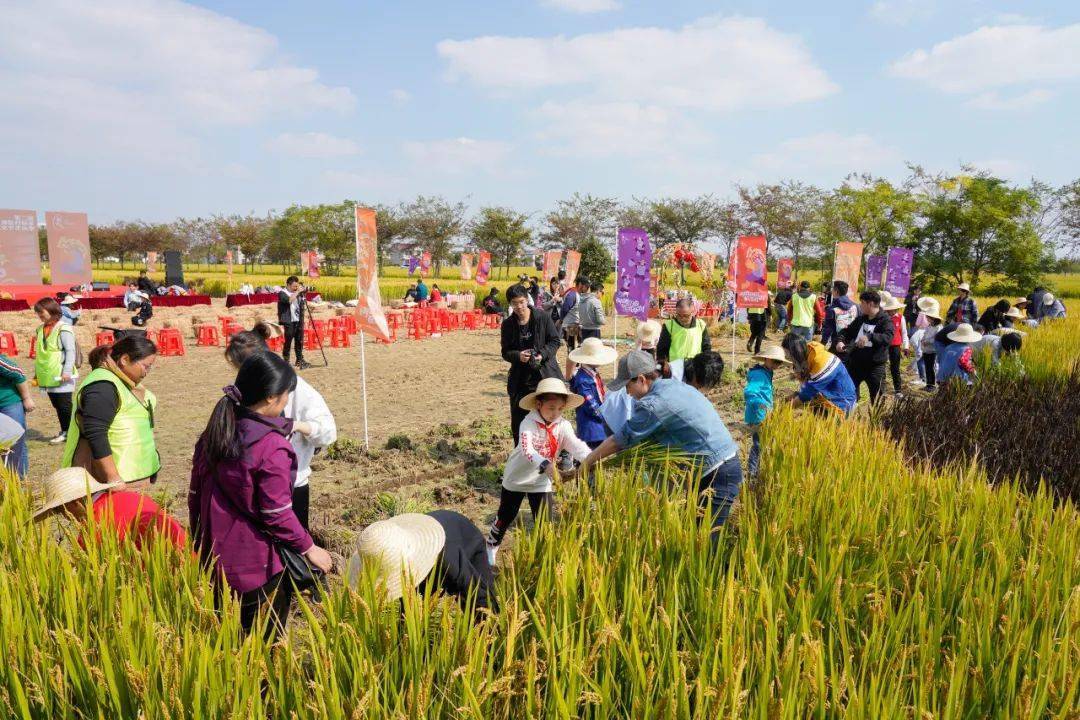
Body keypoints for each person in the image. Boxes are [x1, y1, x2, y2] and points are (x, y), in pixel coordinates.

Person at [189, 353, 332, 638]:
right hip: (255, 565)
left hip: (212, 558)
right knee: (262, 649)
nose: (285, 404)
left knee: (225, 641)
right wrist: (309, 548)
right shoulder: (271, 447)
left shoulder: (215, 432)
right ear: (270, 399)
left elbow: (195, 495)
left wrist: (199, 542)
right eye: (284, 397)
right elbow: (276, 513)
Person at [577, 351, 742, 533]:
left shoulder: (654, 405)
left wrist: (588, 462)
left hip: (718, 472)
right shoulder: (673, 386)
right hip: (716, 467)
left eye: (627, 385)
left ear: (641, 379)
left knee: (706, 542)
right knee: (694, 533)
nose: (627, 392)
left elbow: (620, 440)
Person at [225, 325, 337, 529]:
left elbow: (328, 432)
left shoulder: (296, 388)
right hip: (249, 485)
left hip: (290, 485)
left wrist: (296, 426)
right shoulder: (242, 391)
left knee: (291, 547)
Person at [487, 378, 591, 564]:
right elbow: (528, 450)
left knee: (545, 521)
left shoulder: (563, 426)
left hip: (542, 480)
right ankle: (491, 547)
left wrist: (593, 458)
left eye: (560, 409)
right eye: (551, 408)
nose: (555, 413)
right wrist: (546, 465)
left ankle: (545, 557)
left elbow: (577, 447)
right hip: (517, 477)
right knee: (506, 515)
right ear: (538, 404)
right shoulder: (527, 423)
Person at [347, 511, 497, 614]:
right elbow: (408, 613)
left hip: (465, 539)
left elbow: (480, 596)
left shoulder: (447, 558)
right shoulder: (380, 550)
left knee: (477, 606)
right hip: (423, 552)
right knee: (413, 612)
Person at [60, 335, 160, 486]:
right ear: (125, 360)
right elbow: (96, 433)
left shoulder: (125, 382)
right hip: (115, 481)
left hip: (134, 474)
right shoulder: (102, 387)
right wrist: (113, 477)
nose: (147, 372)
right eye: (146, 366)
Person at [33, 467, 186, 549]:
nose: (65, 517)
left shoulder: (94, 529)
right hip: (192, 566)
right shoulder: (131, 496)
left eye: (61, 510)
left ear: (75, 502)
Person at [501, 284, 562, 443]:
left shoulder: (542, 317)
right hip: (521, 379)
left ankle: (550, 454)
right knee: (519, 420)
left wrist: (542, 354)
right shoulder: (508, 325)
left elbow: (555, 341)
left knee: (547, 417)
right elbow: (505, 352)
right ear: (511, 304)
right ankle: (521, 454)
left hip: (544, 375)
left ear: (527, 299)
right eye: (514, 303)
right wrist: (517, 356)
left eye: (521, 302)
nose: (519, 307)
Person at [33, 297, 78, 444]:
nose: (39, 315)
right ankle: (66, 430)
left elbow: (70, 351)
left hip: (61, 374)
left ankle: (69, 432)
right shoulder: (40, 329)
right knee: (57, 405)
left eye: (41, 311)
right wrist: (37, 373)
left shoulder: (63, 328)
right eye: (38, 312)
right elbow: (41, 353)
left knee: (64, 405)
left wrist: (66, 371)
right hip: (48, 374)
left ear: (51, 310)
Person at [836, 291, 893, 404]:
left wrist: (870, 336)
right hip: (856, 363)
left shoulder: (885, 320)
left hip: (875, 366)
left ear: (870, 304)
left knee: (877, 398)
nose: (860, 305)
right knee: (848, 392)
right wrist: (840, 341)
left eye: (862, 303)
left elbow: (888, 337)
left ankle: (876, 419)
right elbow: (846, 331)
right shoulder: (861, 319)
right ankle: (849, 415)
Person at [781, 333, 857, 415]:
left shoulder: (821, 362)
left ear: (795, 352)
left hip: (841, 404)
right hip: (826, 397)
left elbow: (806, 395)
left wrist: (783, 410)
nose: (787, 357)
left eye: (787, 354)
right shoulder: (808, 351)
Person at [744, 346, 790, 479]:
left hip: (763, 414)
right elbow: (749, 392)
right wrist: (762, 405)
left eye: (779, 362)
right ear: (767, 359)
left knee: (762, 443)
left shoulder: (766, 372)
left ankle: (757, 469)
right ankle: (752, 473)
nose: (777, 365)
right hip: (758, 416)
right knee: (758, 444)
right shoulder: (759, 375)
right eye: (775, 362)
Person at [566, 337, 616, 449]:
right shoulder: (583, 379)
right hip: (591, 426)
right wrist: (604, 416)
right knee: (591, 454)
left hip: (597, 424)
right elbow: (589, 403)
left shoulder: (592, 374)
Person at [657, 298, 711, 379]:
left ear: (692, 310)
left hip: (695, 366)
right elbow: (662, 348)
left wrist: (706, 363)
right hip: (675, 368)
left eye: (686, 315)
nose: (682, 318)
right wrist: (663, 364)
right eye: (679, 315)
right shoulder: (669, 326)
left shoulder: (701, 325)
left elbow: (706, 347)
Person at [0, 353, 34, 477]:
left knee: (15, 440)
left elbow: (18, 374)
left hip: (8, 403)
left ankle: (17, 477)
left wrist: (26, 398)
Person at [277, 276, 312, 370]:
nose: (296, 288)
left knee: (299, 341)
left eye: (297, 286)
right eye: (294, 286)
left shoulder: (298, 293)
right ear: (288, 285)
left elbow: (302, 301)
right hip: (288, 320)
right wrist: (297, 292)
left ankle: (299, 360)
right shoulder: (282, 293)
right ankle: (286, 361)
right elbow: (288, 300)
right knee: (288, 341)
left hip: (298, 320)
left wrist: (304, 290)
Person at [882, 295, 908, 396]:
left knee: (895, 368)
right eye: (889, 309)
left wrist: (906, 346)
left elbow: (904, 332)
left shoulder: (901, 318)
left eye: (893, 309)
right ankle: (882, 389)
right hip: (884, 344)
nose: (891, 311)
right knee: (882, 366)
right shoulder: (883, 317)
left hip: (895, 346)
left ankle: (898, 390)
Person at [821, 280, 856, 349]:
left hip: (836, 342)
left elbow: (828, 329)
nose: (832, 291)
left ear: (836, 291)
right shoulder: (855, 306)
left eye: (833, 289)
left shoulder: (831, 309)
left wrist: (823, 342)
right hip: (851, 342)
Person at [919, 308, 943, 391]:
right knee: (927, 367)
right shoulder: (929, 326)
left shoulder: (938, 327)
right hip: (926, 350)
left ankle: (932, 385)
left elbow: (937, 339)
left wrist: (927, 342)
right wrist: (923, 339)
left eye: (928, 317)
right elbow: (925, 334)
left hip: (933, 350)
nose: (927, 319)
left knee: (932, 367)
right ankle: (928, 384)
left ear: (933, 318)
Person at [559, 277, 585, 351]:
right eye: (586, 286)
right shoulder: (572, 294)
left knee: (579, 348)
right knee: (571, 349)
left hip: (577, 325)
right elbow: (565, 308)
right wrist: (561, 320)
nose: (587, 288)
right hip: (570, 326)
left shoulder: (580, 294)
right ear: (580, 285)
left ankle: (577, 363)